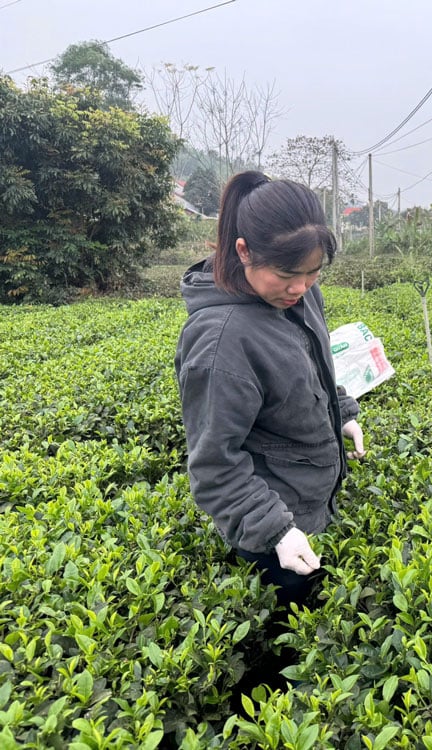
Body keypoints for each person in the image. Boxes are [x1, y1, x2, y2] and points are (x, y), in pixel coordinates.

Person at [175, 170, 365, 605]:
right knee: (290, 631)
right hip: (273, 533)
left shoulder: (294, 295)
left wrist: (343, 413)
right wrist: (276, 531)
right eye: (287, 273)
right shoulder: (222, 340)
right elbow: (214, 466)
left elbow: (312, 365)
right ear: (244, 251)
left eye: (313, 272)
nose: (300, 287)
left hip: (312, 505)